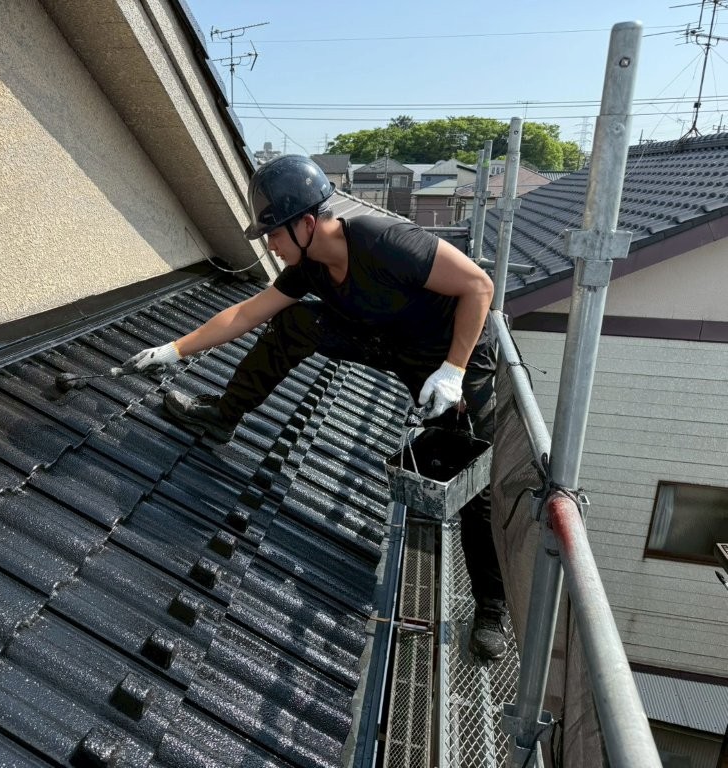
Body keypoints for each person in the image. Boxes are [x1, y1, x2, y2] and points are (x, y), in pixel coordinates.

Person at [122, 155, 507, 661]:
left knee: (473, 478)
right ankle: (223, 416)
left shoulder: (384, 241)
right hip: (389, 341)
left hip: (454, 355)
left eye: (273, 233)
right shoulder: (308, 268)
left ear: (306, 223)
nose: (270, 245)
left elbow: (479, 286)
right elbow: (246, 312)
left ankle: (492, 608)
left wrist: (454, 370)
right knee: (295, 322)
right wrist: (175, 350)